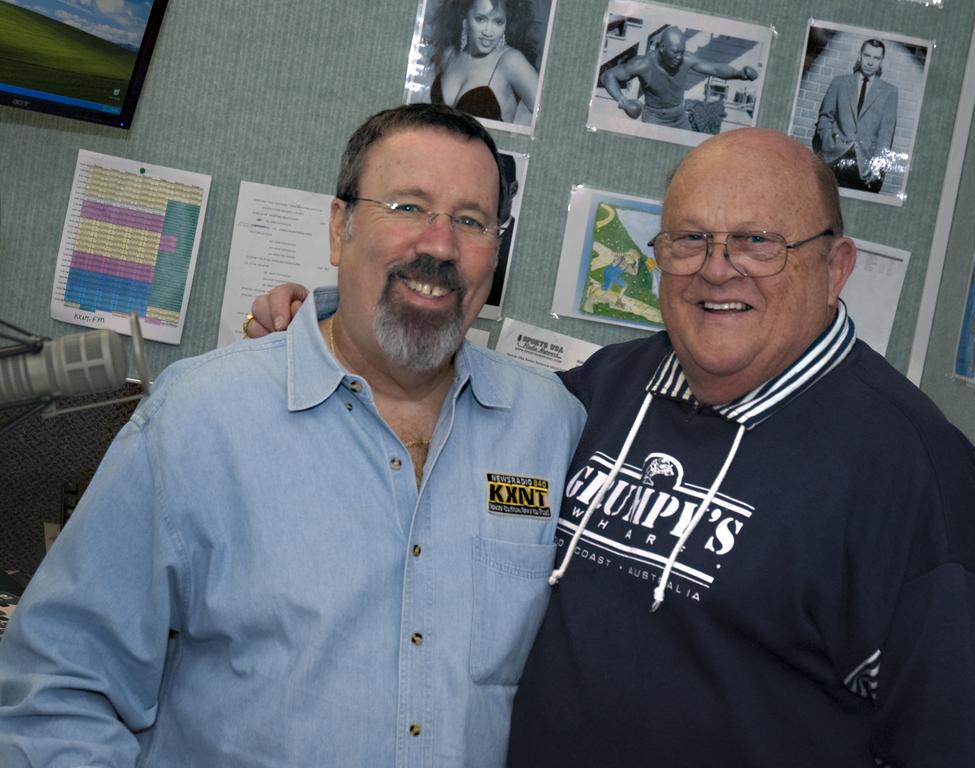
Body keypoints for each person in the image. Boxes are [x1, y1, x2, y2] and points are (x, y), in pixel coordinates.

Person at [249, 128, 975, 767]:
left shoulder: (916, 474)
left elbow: (957, 746)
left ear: (835, 267)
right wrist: (331, 329)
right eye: (689, 239)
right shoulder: (614, 388)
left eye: (759, 241)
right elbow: (455, 390)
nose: (717, 269)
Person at [0, 104, 586, 767]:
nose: (440, 245)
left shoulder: (553, 429)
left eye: (471, 221)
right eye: (407, 206)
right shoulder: (201, 416)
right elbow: (58, 687)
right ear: (340, 229)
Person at [600, 24, 758, 133]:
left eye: (682, 51)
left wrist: (739, 73)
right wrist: (623, 101)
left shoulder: (686, 59)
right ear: (661, 48)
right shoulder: (643, 64)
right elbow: (608, 76)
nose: (679, 57)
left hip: (679, 116)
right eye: (675, 52)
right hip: (654, 118)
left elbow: (715, 68)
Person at [427, 0, 539, 125]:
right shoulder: (449, 56)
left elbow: (550, 114)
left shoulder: (510, 61)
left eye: (498, 22)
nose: (488, 32)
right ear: (465, 17)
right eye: (480, 19)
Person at [813, 38, 899, 193]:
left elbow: (886, 136)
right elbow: (825, 117)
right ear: (860, 56)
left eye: (876, 58)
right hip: (834, 159)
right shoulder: (839, 83)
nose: (870, 62)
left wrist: (877, 168)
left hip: (864, 168)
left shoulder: (889, 92)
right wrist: (827, 143)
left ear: (881, 61)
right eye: (867, 56)